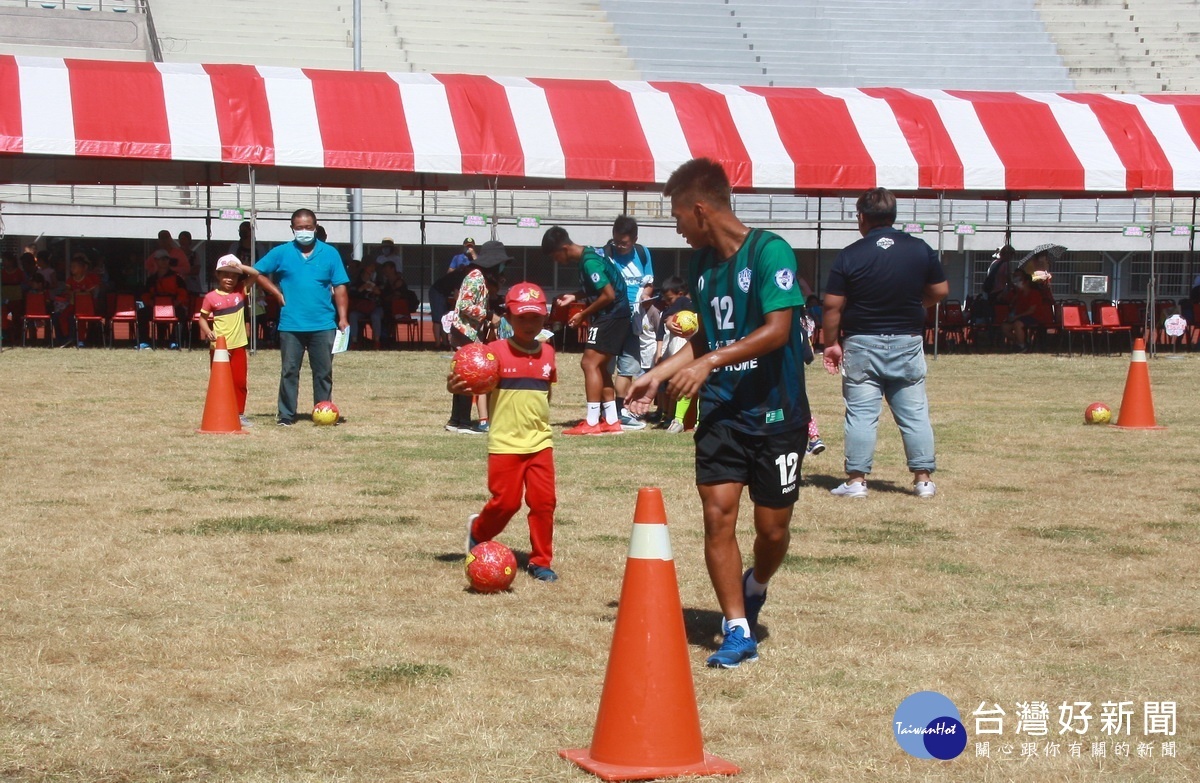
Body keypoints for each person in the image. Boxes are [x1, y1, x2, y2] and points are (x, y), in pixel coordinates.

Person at [625, 158, 811, 669]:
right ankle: (735, 628)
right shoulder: (703, 266)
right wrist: (660, 372)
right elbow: (706, 338)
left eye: (679, 216)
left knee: (772, 530)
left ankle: (757, 583)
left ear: (701, 210)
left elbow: (778, 330)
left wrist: (708, 361)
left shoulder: (770, 251)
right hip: (724, 412)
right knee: (717, 514)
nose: (677, 227)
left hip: (777, 414)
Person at [822, 186, 948, 500]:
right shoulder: (920, 249)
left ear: (862, 217)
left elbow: (832, 305)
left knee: (862, 415)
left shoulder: (850, 254)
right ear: (893, 216)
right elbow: (941, 290)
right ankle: (923, 480)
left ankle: (856, 481)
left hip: (862, 343)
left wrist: (831, 343)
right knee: (915, 412)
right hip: (907, 341)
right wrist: (919, 304)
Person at [451, 282, 560, 582]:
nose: (529, 324)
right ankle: (479, 531)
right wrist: (457, 387)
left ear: (544, 319)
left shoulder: (549, 353)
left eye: (535, 318)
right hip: (505, 443)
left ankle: (541, 561)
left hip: (540, 443)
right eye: (521, 317)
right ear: (509, 317)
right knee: (507, 503)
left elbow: (545, 392)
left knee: (544, 503)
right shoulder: (494, 352)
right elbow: (473, 381)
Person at [254, 209, 350, 426]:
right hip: (291, 324)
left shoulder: (330, 253)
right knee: (289, 371)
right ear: (292, 229)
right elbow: (256, 272)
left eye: (308, 227)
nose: (304, 231)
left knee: (323, 372)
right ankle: (286, 415)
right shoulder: (282, 252)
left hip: (323, 323)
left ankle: (323, 411)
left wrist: (343, 317)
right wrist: (276, 292)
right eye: (299, 227)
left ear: (316, 228)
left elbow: (340, 286)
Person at [543, 225, 631, 435]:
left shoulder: (589, 262)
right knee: (600, 367)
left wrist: (582, 313)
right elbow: (597, 287)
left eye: (555, 257)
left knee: (588, 363)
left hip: (612, 315)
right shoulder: (591, 254)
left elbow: (608, 295)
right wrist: (576, 296)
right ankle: (611, 419)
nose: (557, 262)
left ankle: (592, 421)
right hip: (617, 315)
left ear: (564, 248)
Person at [198, 255, 284, 427]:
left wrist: (239, 266)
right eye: (225, 274)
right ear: (217, 275)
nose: (229, 279)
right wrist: (208, 332)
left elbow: (255, 274)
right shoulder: (210, 297)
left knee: (239, 382)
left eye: (234, 275)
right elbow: (202, 318)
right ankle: (221, 411)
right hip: (219, 347)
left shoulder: (240, 291)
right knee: (220, 381)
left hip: (238, 345)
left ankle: (239, 413)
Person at [446, 240, 510, 434]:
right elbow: (464, 305)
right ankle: (464, 423)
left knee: (460, 376)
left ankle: (455, 420)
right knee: (469, 376)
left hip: (467, 331)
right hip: (465, 332)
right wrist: (489, 315)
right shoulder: (476, 277)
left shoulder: (480, 278)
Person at [604, 215, 655, 430]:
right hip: (611, 317)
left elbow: (649, 282)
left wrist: (645, 297)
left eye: (624, 243)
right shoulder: (604, 254)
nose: (620, 247)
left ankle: (620, 410)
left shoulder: (643, 253)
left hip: (634, 319)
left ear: (634, 239)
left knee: (627, 367)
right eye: (617, 242)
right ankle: (603, 410)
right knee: (605, 366)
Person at [653, 275, 693, 433]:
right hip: (672, 349)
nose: (668, 303)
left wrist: (669, 320)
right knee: (670, 385)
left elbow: (670, 317)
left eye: (670, 299)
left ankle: (675, 417)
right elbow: (661, 331)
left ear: (681, 294)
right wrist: (659, 352)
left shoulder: (685, 303)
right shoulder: (670, 310)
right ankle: (669, 415)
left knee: (677, 384)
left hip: (681, 349)